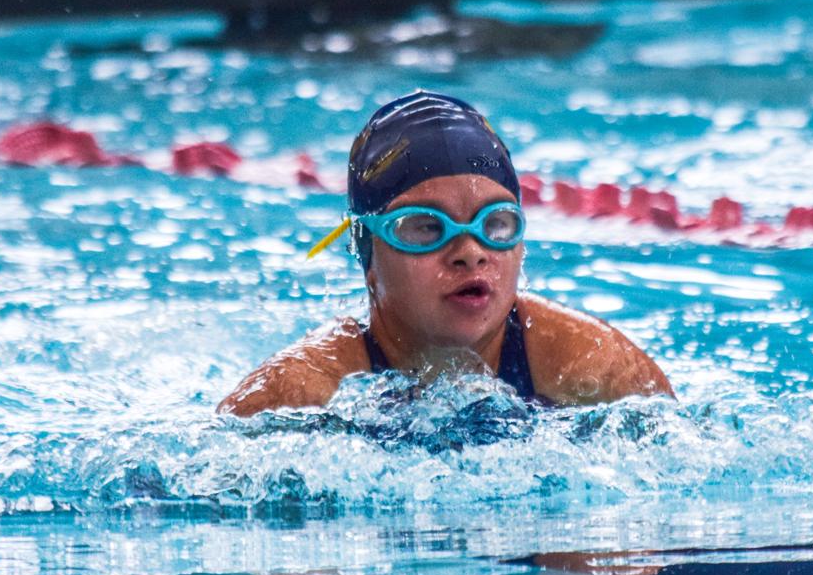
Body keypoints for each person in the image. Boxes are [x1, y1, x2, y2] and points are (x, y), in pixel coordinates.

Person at [219, 91, 672, 416]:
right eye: (426, 228)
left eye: (495, 224)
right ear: (368, 254)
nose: (470, 253)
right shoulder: (298, 393)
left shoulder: (595, 367)